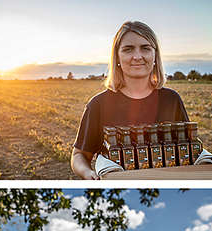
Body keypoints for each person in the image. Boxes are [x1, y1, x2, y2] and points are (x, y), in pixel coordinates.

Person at [70, 21, 189, 180]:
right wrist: (87, 173)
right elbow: (79, 155)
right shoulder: (98, 105)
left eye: (145, 48)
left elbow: (188, 149)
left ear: (155, 55)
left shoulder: (171, 100)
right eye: (128, 49)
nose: (137, 56)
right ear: (117, 56)